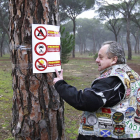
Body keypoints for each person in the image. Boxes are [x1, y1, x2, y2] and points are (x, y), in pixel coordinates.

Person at [53, 41, 140, 140]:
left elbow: (86, 101)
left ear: (114, 59)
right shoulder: (132, 75)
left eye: (101, 57)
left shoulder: (111, 81)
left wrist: (60, 85)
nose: (96, 60)